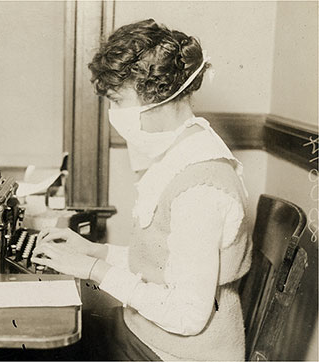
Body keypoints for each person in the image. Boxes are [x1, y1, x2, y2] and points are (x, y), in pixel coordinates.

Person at [32, 18, 252, 361]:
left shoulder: (201, 187)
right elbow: (164, 265)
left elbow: (187, 315)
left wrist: (94, 271)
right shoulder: (180, 154)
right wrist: (94, 252)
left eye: (118, 101)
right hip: (150, 335)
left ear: (159, 95)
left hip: (179, 353)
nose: (112, 113)